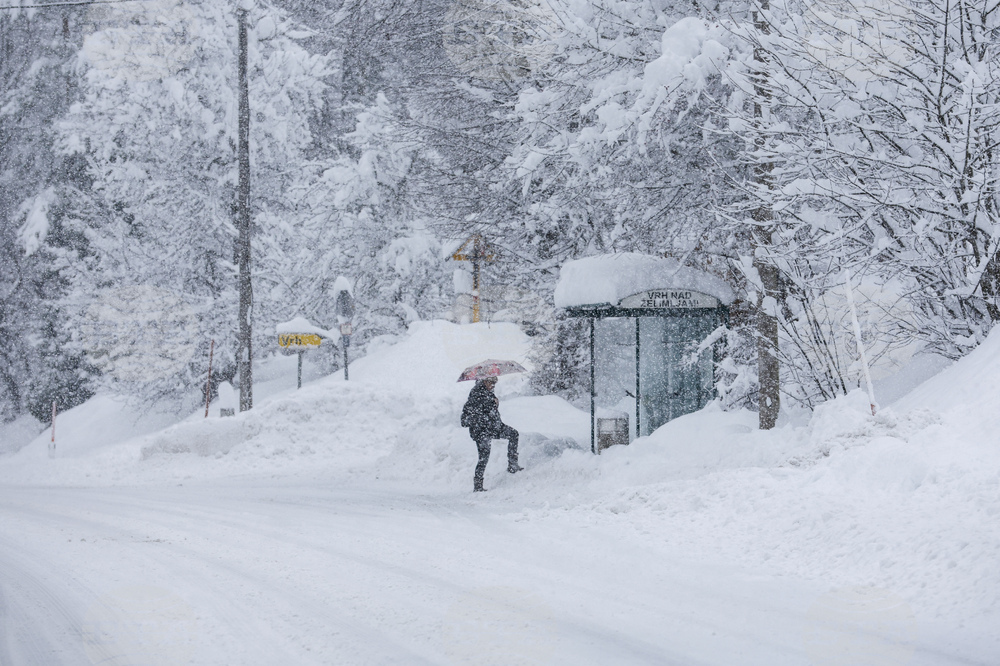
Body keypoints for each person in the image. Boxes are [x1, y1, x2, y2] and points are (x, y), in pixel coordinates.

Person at [461, 376, 522, 492]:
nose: (493, 385)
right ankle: (478, 485)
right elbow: (465, 421)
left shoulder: (489, 394)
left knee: (514, 434)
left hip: (494, 427)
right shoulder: (475, 396)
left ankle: (513, 465)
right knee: (484, 457)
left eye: (495, 383)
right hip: (481, 432)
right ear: (485, 381)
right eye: (492, 383)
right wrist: (488, 410)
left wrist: (495, 404)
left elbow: (491, 412)